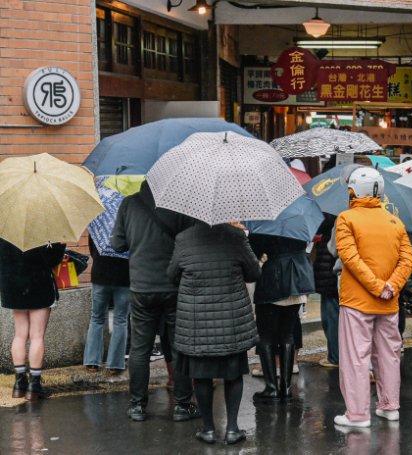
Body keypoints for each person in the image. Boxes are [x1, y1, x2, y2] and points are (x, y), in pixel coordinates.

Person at [333, 167, 412, 428]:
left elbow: (349, 257)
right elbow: (408, 259)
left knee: (356, 357)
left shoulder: (346, 218)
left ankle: (357, 414)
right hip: (389, 302)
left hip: (357, 301)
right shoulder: (395, 221)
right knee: (388, 354)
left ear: (354, 190)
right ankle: (389, 406)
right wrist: (390, 285)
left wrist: (376, 286)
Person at [111, 180, 197, 422]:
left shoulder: (128, 204)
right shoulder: (179, 206)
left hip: (141, 287)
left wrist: (137, 241)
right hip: (174, 286)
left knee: (139, 349)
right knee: (178, 346)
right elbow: (190, 239)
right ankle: (183, 405)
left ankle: (137, 406)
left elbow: (116, 244)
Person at [168, 221, 260, 445]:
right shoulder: (236, 237)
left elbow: (172, 274)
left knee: (201, 375)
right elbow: (254, 272)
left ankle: (208, 429)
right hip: (231, 321)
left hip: (198, 322)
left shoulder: (184, 238)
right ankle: (232, 429)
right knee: (233, 373)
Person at [250, 233, 315, 402]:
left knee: (265, 336)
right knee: (288, 333)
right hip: (299, 277)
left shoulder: (266, 224)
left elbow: (254, 251)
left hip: (274, 278)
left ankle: (271, 388)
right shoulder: (300, 220)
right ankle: (285, 389)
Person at [0, 240, 66, 401]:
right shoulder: (41, 230)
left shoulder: (5, 230)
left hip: (13, 287)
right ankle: (34, 386)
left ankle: (19, 383)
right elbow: (51, 260)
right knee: (37, 335)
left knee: (20, 334)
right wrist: (59, 246)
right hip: (39, 284)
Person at [83, 236, 130, 374]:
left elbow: (92, 250)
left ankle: (92, 362)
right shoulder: (127, 222)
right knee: (120, 320)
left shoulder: (99, 222)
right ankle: (115, 364)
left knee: (97, 318)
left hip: (100, 273)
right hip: (124, 276)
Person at [314, 214, 340, 368]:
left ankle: (335, 356)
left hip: (329, 270)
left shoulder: (331, 215)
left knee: (331, 317)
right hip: (332, 271)